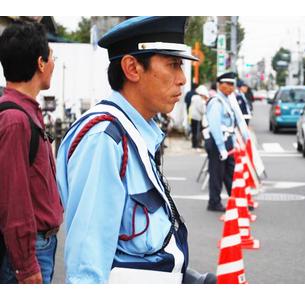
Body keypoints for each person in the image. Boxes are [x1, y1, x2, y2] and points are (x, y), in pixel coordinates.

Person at [56, 16, 201, 284]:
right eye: (173, 64)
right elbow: (87, 267)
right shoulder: (105, 139)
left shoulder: (136, 131)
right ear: (132, 68)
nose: (181, 79)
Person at [0, 21, 63, 284]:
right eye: (52, 57)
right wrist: (26, 266)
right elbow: (13, 200)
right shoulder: (15, 119)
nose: (54, 63)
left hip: (40, 245)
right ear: (40, 63)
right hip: (31, 251)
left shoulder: (24, 111)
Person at [203, 72, 249, 212]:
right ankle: (214, 202)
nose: (231, 87)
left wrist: (235, 140)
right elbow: (215, 126)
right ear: (220, 85)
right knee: (217, 173)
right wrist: (222, 147)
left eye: (232, 84)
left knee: (230, 172)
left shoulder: (227, 100)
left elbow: (233, 123)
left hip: (227, 140)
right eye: (228, 84)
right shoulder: (216, 102)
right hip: (218, 142)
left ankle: (235, 199)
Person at [188, 85, 209, 149]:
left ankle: (194, 144)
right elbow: (201, 109)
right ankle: (196, 145)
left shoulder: (193, 97)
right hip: (197, 117)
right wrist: (204, 112)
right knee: (197, 131)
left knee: (194, 131)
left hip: (192, 116)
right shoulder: (199, 99)